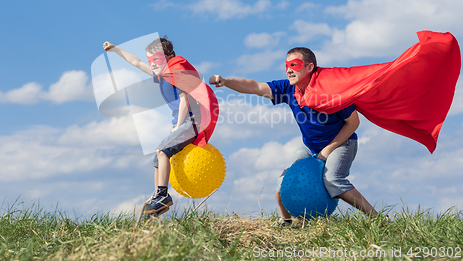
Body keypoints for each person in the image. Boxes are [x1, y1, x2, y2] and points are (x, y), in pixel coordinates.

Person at [209, 47, 378, 226]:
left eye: (294, 64)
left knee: (333, 180)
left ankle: (379, 218)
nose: (288, 69)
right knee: (282, 184)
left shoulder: (330, 90)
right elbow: (255, 87)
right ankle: (286, 222)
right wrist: (226, 81)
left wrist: (327, 150)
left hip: (342, 142)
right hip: (310, 146)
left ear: (309, 67)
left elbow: (353, 123)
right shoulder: (288, 89)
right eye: (286, 65)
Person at [104, 36, 203, 217]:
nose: (152, 64)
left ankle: (162, 195)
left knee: (161, 150)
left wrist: (178, 126)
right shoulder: (160, 77)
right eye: (150, 60)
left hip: (191, 123)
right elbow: (136, 62)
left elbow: (184, 101)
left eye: (156, 59)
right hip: (182, 124)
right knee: (158, 160)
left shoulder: (175, 75)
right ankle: (158, 197)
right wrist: (115, 49)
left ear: (169, 57)